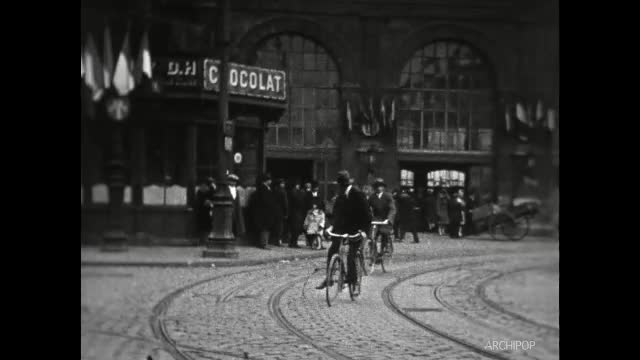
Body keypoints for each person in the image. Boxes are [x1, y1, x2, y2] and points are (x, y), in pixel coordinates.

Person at [316, 170, 371, 290]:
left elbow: (367, 215)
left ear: (345, 184)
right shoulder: (340, 195)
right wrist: (330, 227)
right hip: (341, 228)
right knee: (332, 250)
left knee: (351, 254)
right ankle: (329, 277)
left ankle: (353, 280)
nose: (340, 188)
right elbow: (336, 214)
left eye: (342, 185)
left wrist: (364, 230)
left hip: (356, 229)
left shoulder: (357, 194)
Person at [250, 173, 278, 249]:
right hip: (264, 212)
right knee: (265, 227)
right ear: (266, 181)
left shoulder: (267, 188)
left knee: (266, 227)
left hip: (267, 211)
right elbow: (266, 201)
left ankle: (264, 243)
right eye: (269, 180)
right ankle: (263, 243)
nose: (271, 181)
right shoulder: (263, 189)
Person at [368, 178, 396, 252]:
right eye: (376, 186)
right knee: (372, 236)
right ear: (374, 187)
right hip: (376, 219)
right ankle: (373, 252)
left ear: (383, 187)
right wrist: (368, 217)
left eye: (380, 186)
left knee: (384, 233)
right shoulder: (372, 197)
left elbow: (392, 209)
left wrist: (389, 218)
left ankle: (383, 249)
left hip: (385, 219)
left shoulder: (388, 196)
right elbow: (367, 208)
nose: (378, 188)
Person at [194, 178, 214, 245]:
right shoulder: (199, 192)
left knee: (208, 226)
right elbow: (197, 201)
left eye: (205, 185)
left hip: (209, 212)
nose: (203, 187)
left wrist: (210, 203)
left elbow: (213, 199)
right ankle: (202, 240)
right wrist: (203, 202)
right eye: (202, 185)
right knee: (201, 226)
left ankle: (206, 240)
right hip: (201, 211)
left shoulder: (211, 191)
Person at [287, 179, 306, 248]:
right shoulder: (295, 192)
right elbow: (298, 201)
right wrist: (302, 194)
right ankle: (293, 243)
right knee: (295, 228)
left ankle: (293, 242)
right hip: (296, 212)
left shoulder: (293, 191)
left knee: (295, 228)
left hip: (295, 212)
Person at [226, 174, 246, 240]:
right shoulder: (226, 189)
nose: (233, 183)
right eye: (232, 181)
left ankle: (234, 237)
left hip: (235, 209)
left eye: (235, 181)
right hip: (228, 209)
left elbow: (237, 200)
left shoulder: (236, 190)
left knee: (236, 223)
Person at [272, 178, 289, 246]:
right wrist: (286, 212)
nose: (284, 184)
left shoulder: (274, 190)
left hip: (274, 210)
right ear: (280, 184)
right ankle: (278, 241)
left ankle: (274, 240)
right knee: (280, 227)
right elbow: (285, 203)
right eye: (283, 183)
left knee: (276, 226)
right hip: (281, 211)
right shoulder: (282, 191)